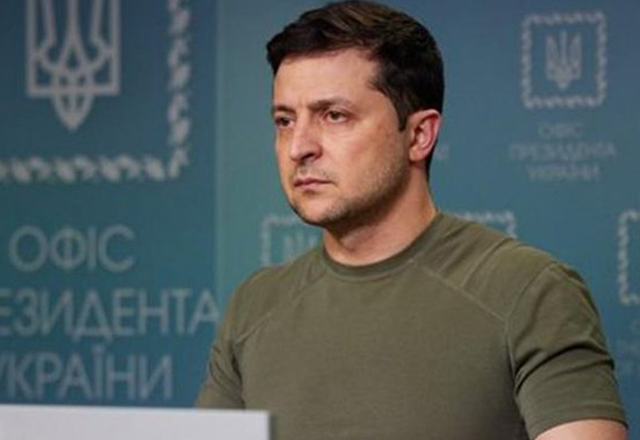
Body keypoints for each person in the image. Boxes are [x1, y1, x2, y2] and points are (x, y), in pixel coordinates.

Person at [196, 1, 627, 439]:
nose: (298, 147)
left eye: (334, 115)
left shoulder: (529, 290)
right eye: (285, 120)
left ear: (419, 135)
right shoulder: (254, 306)